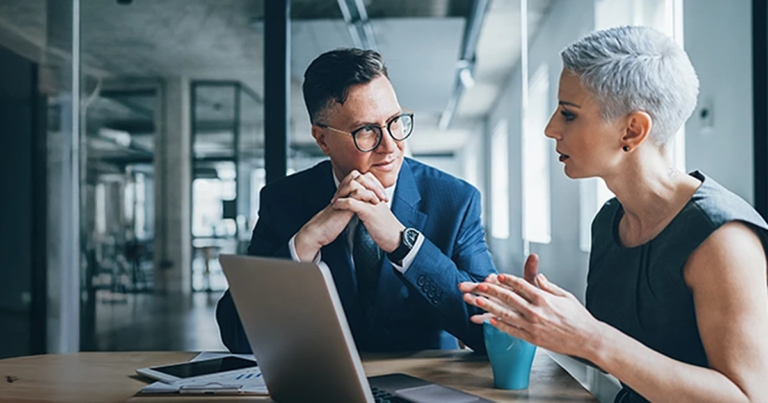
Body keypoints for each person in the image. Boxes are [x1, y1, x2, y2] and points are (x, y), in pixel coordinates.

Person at [460, 26, 768, 402]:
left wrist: (589, 336)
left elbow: (746, 398)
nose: (550, 129)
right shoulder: (609, 221)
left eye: (568, 114)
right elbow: (625, 356)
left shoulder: (723, 240)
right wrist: (542, 319)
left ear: (632, 130)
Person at [217, 48, 497, 353]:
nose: (390, 146)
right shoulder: (282, 201)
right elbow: (237, 335)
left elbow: (490, 329)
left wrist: (404, 245)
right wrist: (306, 242)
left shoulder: (456, 201)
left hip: (425, 388)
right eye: (366, 131)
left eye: (395, 121)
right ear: (322, 139)